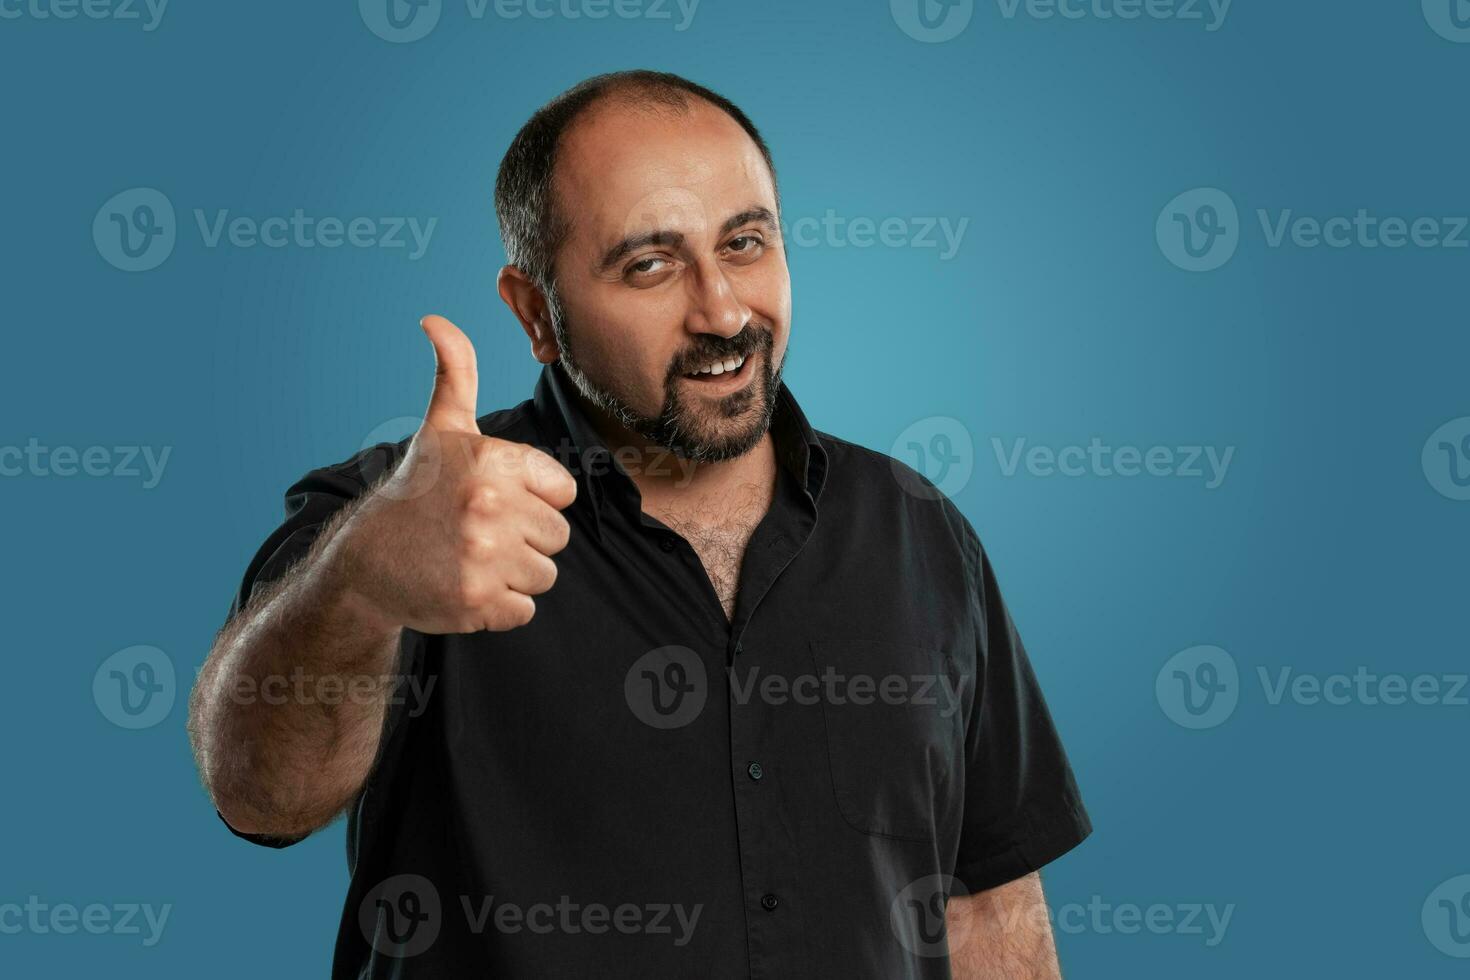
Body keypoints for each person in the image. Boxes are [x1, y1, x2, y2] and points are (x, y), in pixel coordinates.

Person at [187, 69, 1091, 978]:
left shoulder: (919, 532)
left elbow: (989, 904)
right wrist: (360, 585)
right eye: (650, 266)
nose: (724, 311)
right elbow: (259, 794)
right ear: (536, 313)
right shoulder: (411, 517)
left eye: (744, 243)